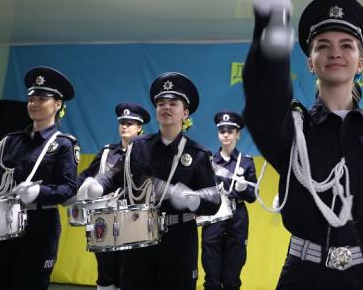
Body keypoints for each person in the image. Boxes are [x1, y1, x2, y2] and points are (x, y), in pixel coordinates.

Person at [243, 0, 363, 289]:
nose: (335, 53)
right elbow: (263, 96)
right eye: (323, 46)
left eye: (347, 45)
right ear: (310, 62)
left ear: (360, 63)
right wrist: (273, 22)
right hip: (307, 276)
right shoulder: (291, 131)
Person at [87, 71, 221, 290]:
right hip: (138, 235)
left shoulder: (197, 154)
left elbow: (214, 201)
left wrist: (193, 199)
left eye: (173, 103)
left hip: (178, 240)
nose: (166, 107)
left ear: (185, 113)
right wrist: (98, 183)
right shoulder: (138, 146)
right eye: (161, 103)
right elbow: (116, 174)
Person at [0, 66, 79, 290]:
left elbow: (68, 188)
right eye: (31, 99)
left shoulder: (63, 145)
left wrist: (39, 193)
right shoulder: (10, 141)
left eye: (42, 99)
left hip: (38, 228)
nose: (34, 104)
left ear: (57, 104)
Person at [75, 102, 150, 290]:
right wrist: (71, 189)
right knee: (105, 271)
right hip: (104, 219)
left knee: (130, 270)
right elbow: (87, 174)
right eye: (122, 123)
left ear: (139, 127)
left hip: (133, 219)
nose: (124, 126)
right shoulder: (107, 152)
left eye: (130, 123)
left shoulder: (147, 152)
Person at [201, 110, 257, 290]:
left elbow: (253, 197)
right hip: (215, 215)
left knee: (232, 276)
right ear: (218, 134)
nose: (226, 135)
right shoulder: (209, 161)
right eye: (222, 131)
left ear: (237, 134)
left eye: (230, 131)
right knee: (211, 275)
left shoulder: (246, 162)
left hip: (237, 216)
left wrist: (243, 189)